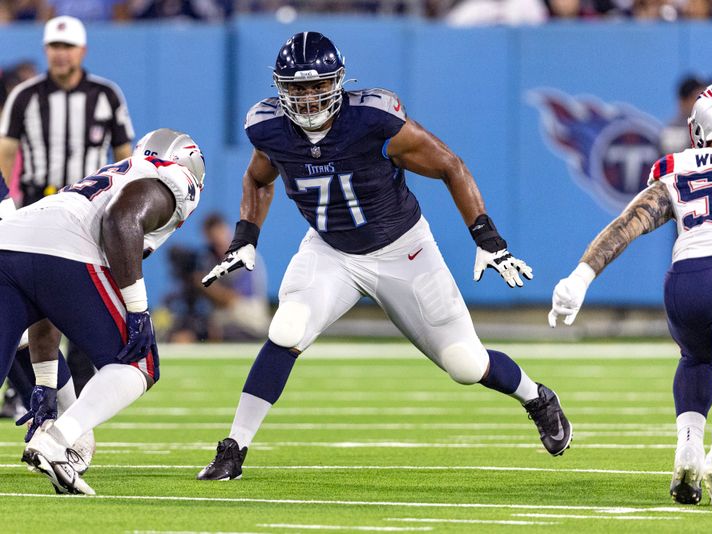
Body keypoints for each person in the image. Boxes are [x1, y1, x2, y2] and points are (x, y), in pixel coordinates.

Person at [196, 31, 571, 481]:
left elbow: (451, 165)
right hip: (332, 251)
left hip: (403, 251)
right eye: (297, 89)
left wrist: (487, 237)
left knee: (466, 365)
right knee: (287, 327)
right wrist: (244, 236)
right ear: (280, 89)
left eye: (318, 87)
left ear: (338, 83)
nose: (309, 99)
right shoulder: (269, 126)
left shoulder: (374, 120)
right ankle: (234, 448)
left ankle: (536, 397)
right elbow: (258, 178)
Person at [549, 80, 712, 512]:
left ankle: (688, 448)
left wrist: (581, 276)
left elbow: (629, 223)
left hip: (685, 282)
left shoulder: (677, 165)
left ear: (702, 125)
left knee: (694, 359)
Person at [0, 128, 205, 495]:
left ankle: (54, 437)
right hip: (63, 247)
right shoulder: (172, 179)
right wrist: (139, 310)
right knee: (139, 363)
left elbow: (44, 302)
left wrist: (45, 382)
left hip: (10, 242)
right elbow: (121, 219)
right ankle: (56, 441)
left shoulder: (98, 181)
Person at [0, 15, 135, 406]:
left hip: (86, 217)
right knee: (34, 311)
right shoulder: (24, 95)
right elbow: (6, 155)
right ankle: (37, 394)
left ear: (82, 50)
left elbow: (126, 159)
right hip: (34, 211)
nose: (61, 54)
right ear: (46, 51)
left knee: (84, 306)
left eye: (67, 47)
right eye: (54, 47)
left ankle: (74, 396)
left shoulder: (106, 95)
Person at [200, 213, 270, 341]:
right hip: (224, 317)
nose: (218, 241)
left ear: (227, 231)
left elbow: (233, 299)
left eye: (220, 234)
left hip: (248, 317)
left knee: (218, 330)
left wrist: (203, 285)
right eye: (212, 238)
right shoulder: (209, 259)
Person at [659, 75, 708, 156]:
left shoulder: (708, 125)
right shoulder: (674, 129)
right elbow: (674, 163)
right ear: (684, 101)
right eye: (699, 98)